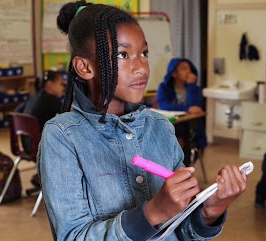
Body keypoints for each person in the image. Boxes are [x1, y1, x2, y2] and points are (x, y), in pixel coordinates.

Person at [38, 2, 248, 240]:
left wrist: (210, 211)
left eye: (144, 53)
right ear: (84, 67)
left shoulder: (159, 127)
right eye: (122, 54)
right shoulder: (62, 136)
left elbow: (185, 231)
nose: (141, 68)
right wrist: (151, 214)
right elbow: (72, 236)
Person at [15, 70, 65, 187]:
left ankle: (41, 175)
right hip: (41, 149)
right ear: (50, 84)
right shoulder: (51, 100)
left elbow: (16, 112)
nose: (63, 88)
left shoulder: (34, 97)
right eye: (61, 84)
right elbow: (69, 116)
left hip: (28, 147)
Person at [157, 58, 207, 165]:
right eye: (184, 69)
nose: (189, 72)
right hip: (170, 125)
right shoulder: (164, 88)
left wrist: (191, 86)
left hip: (190, 129)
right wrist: (186, 109)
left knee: (182, 132)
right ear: (174, 73)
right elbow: (164, 105)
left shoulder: (195, 89)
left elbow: (195, 108)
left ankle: (182, 166)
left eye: (189, 69)